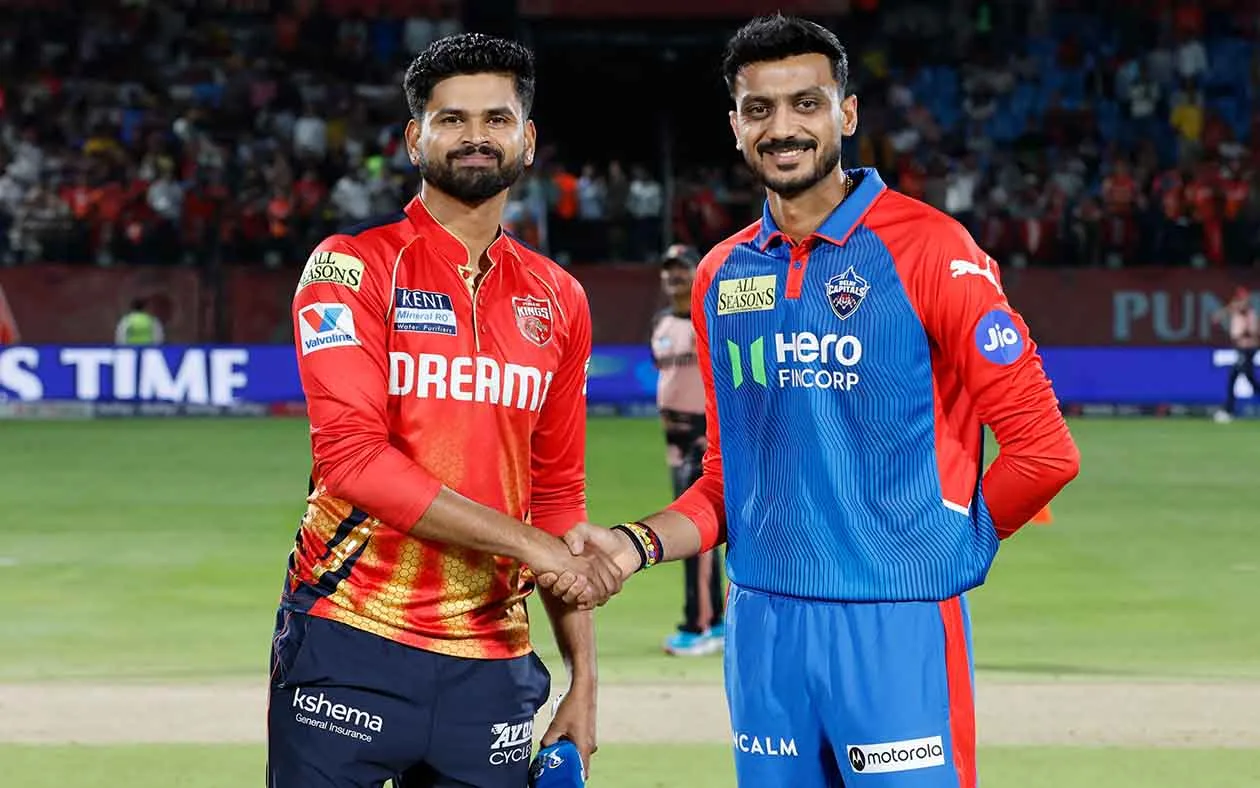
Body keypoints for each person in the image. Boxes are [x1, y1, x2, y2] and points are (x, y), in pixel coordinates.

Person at [546, 15, 1080, 787]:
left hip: (896, 630)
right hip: (763, 632)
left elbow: (1045, 452)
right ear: (735, 126)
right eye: (759, 109)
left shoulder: (931, 249)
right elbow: (728, 480)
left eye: (807, 103)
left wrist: (952, 547)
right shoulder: (722, 276)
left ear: (846, 113)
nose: (783, 128)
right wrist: (635, 545)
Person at [269, 33, 622, 788]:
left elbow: (558, 496)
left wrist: (584, 683)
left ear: (528, 140)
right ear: (413, 139)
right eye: (452, 119)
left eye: (496, 119)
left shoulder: (560, 298)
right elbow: (353, 461)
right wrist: (534, 546)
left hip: (493, 663)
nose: (475, 136)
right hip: (350, 639)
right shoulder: (350, 266)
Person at [650, 243, 726, 656]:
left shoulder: (709, 320)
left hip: (703, 441)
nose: (675, 276)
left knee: (695, 535)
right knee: (692, 534)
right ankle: (712, 620)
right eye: (669, 269)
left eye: (682, 269)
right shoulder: (661, 322)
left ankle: (701, 625)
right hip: (675, 446)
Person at [1213, 286, 1259, 423]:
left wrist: (1244, 329)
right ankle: (1229, 410)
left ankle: (1228, 410)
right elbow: (1219, 315)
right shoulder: (1236, 310)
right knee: (1245, 378)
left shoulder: (1250, 313)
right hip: (1240, 349)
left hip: (1247, 349)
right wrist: (1223, 313)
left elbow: (1253, 332)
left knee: (1238, 376)